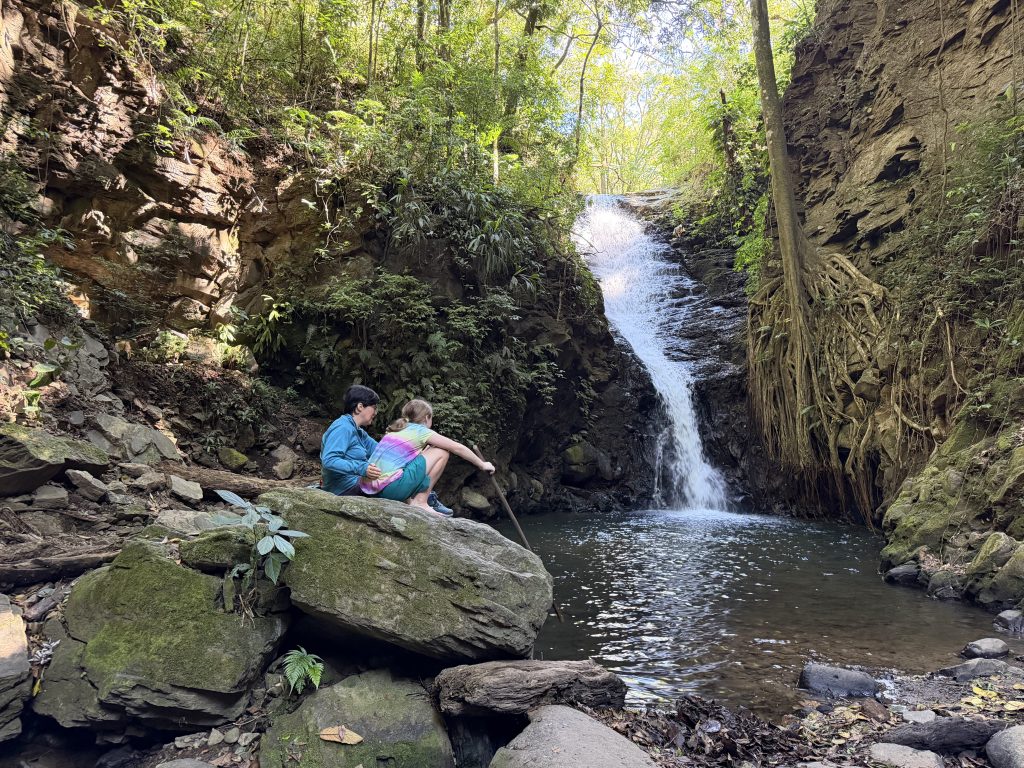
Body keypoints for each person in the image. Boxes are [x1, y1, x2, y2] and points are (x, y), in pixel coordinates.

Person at [359, 398, 495, 515]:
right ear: (426, 418)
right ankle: (421, 502)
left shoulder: (394, 431)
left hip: (369, 489)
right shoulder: (421, 431)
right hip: (389, 490)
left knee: (428, 451)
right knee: (442, 451)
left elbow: (398, 468)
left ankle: (411, 501)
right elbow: (456, 447)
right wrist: (482, 464)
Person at [321, 385, 382, 495]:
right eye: (374, 407)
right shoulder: (342, 427)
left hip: (357, 484)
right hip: (344, 490)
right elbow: (329, 460)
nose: (376, 412)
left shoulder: (359, 432)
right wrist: (362, 468)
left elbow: (381, 450)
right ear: (360, 407)